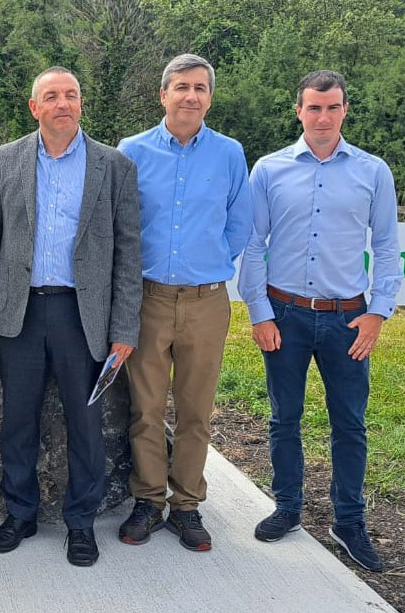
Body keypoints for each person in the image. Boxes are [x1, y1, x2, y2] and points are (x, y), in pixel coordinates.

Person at [0, 66, 141, 567]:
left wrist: (124, 327)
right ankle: (20, 513)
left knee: (85, 424)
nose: (62, 104)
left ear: (80, 104)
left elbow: (129, 253)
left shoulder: (115, 166)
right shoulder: (7, 159)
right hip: (17, 313)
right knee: (18, 420)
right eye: (52, 96)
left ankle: (81, 522)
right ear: (34, 106)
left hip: (82, 315)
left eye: (71, 95)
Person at [238, 70, 401, 572]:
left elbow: (388, 248)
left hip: (348, 319)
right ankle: (287, 506)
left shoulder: (373, 172)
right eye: (314, 107)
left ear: (345, 110)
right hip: (283, 315)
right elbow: (252, 244)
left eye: (332, 107)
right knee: (283, 418)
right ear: (299, 110)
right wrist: (260, 313)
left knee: (349, 424)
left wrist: (377, 312)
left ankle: (348, 522)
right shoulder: (268, 169)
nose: (323, 117)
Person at [115, 54, 253, 551]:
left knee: (197, 410)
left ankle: (187, 506)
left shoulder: (231, 153)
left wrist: (209, 262)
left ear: (209, 98)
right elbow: (120, 225)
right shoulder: (131, 151)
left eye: (199, 88)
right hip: (147, 299)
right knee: (146, 408)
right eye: (181, 87)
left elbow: (239, 224)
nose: (190, 95)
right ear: (163, 94)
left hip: (206, 303)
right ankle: (148, 500)